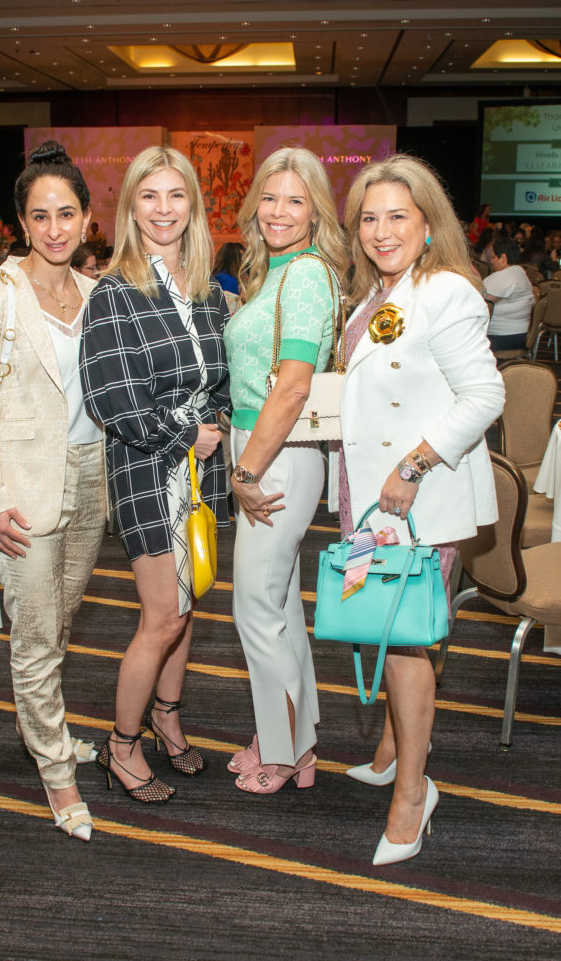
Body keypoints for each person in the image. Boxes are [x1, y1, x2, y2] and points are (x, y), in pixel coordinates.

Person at [338, 154, 504, 865]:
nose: (381, 230)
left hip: (416, 499)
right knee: (386, 626)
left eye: (397, 216)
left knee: (405, 643)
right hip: (374, 497)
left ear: (429, 224)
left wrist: (413, 464)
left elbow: (486, 397)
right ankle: (391, 746)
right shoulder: (378, 294)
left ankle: (412, 794)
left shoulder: (446, 294)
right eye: (369, 218)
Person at [0, 141, 109, 842]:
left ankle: (45, 729)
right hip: (21, 485)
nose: (54, 228)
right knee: (37, 635)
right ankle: (56, 771)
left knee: (60, 621)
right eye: (40, 215)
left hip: (90, 474)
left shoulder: (98, 293)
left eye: (66, 213)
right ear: (19, 221)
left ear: (85, 219)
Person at [80, 146, 230, 803]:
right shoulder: (114, 291)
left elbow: (220, 378)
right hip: (146, 461)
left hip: (200, 464)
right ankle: (121, 744)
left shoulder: (204, 292)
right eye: (149, 196)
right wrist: (189, 434)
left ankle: (168, 717)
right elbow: (111, 398)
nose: (164, 210)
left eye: (176, 195)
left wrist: (216, 423)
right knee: (161, 616)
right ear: (131, 207)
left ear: (192, 205)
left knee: (187, 600)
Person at [222, 147, 347, 795]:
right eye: (270, 197)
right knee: (277, 608)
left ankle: (282, 751)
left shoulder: (303, 275)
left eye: (295, 200)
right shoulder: (276, 271)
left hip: (277, 457)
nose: (278, 210)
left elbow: (294, 387)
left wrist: (243, 470)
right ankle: (295, 741)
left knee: (255, 608)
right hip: (269, 451)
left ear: (315, 211)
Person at [483, 237, 535, 351]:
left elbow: (480, 302)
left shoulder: (504, 276)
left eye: (493, 257)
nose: (491, 261)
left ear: (503, 258)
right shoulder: (520, 273)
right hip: (521, 334)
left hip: (502, 337)